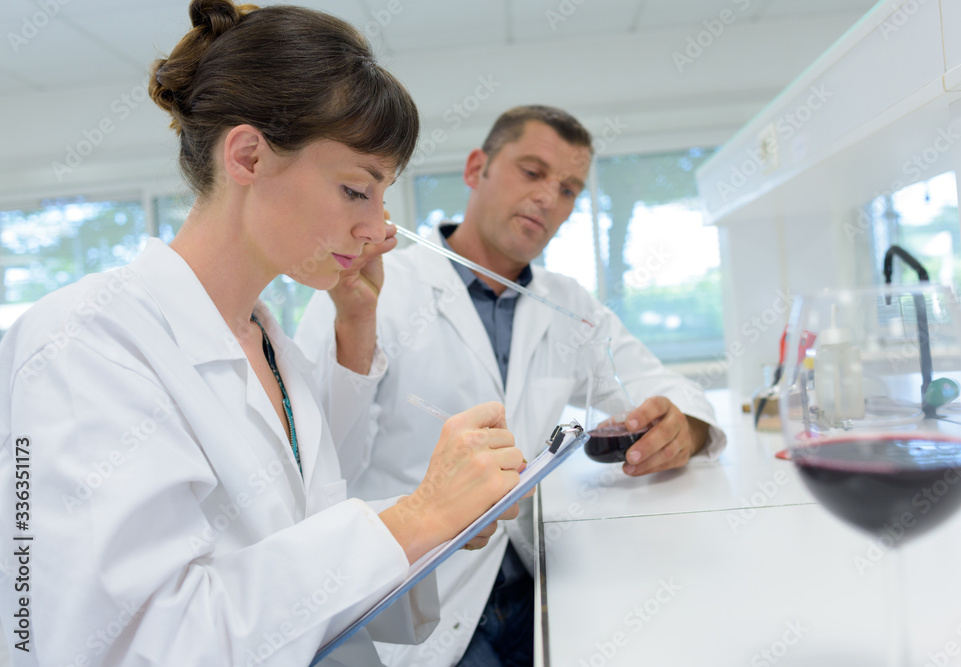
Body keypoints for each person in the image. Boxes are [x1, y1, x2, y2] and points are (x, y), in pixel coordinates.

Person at [0, 2, 526, 665]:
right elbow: (133, 643)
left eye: (384, 195)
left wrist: (442, 527)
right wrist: (417, 515)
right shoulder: (84, 346)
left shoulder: (269, 345)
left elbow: (294, 545)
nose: (378, 227)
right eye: (357, 189)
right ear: (248, 155)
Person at [295, 105, 728, 666]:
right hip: (424, 593)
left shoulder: (566, 303)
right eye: (532, 171)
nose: (550, 197)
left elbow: (657, 387)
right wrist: (355, 331)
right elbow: (318, 462)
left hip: (529, 583)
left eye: (569, 188)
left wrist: (683, 429)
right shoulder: (369, 285)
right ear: (477, 168)